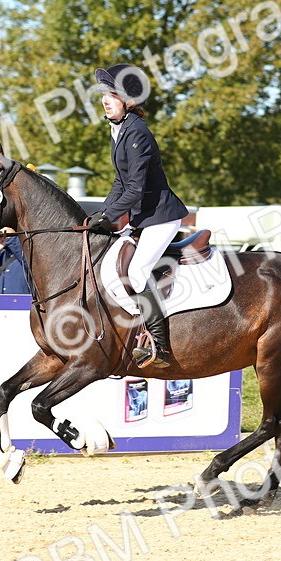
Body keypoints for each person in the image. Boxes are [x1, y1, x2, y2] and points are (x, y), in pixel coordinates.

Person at [85, 64, 189, 368]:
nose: (105, 100)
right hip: (144, 217)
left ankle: (161, 345)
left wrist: (109, 216)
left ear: (129, 101)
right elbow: (120, 182)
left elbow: (135, 188)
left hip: (161, 216)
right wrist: (100, 213)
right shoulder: (119, 130)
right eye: (104, 94)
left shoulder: (137, 132)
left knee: (138, 272)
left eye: (112, 95)